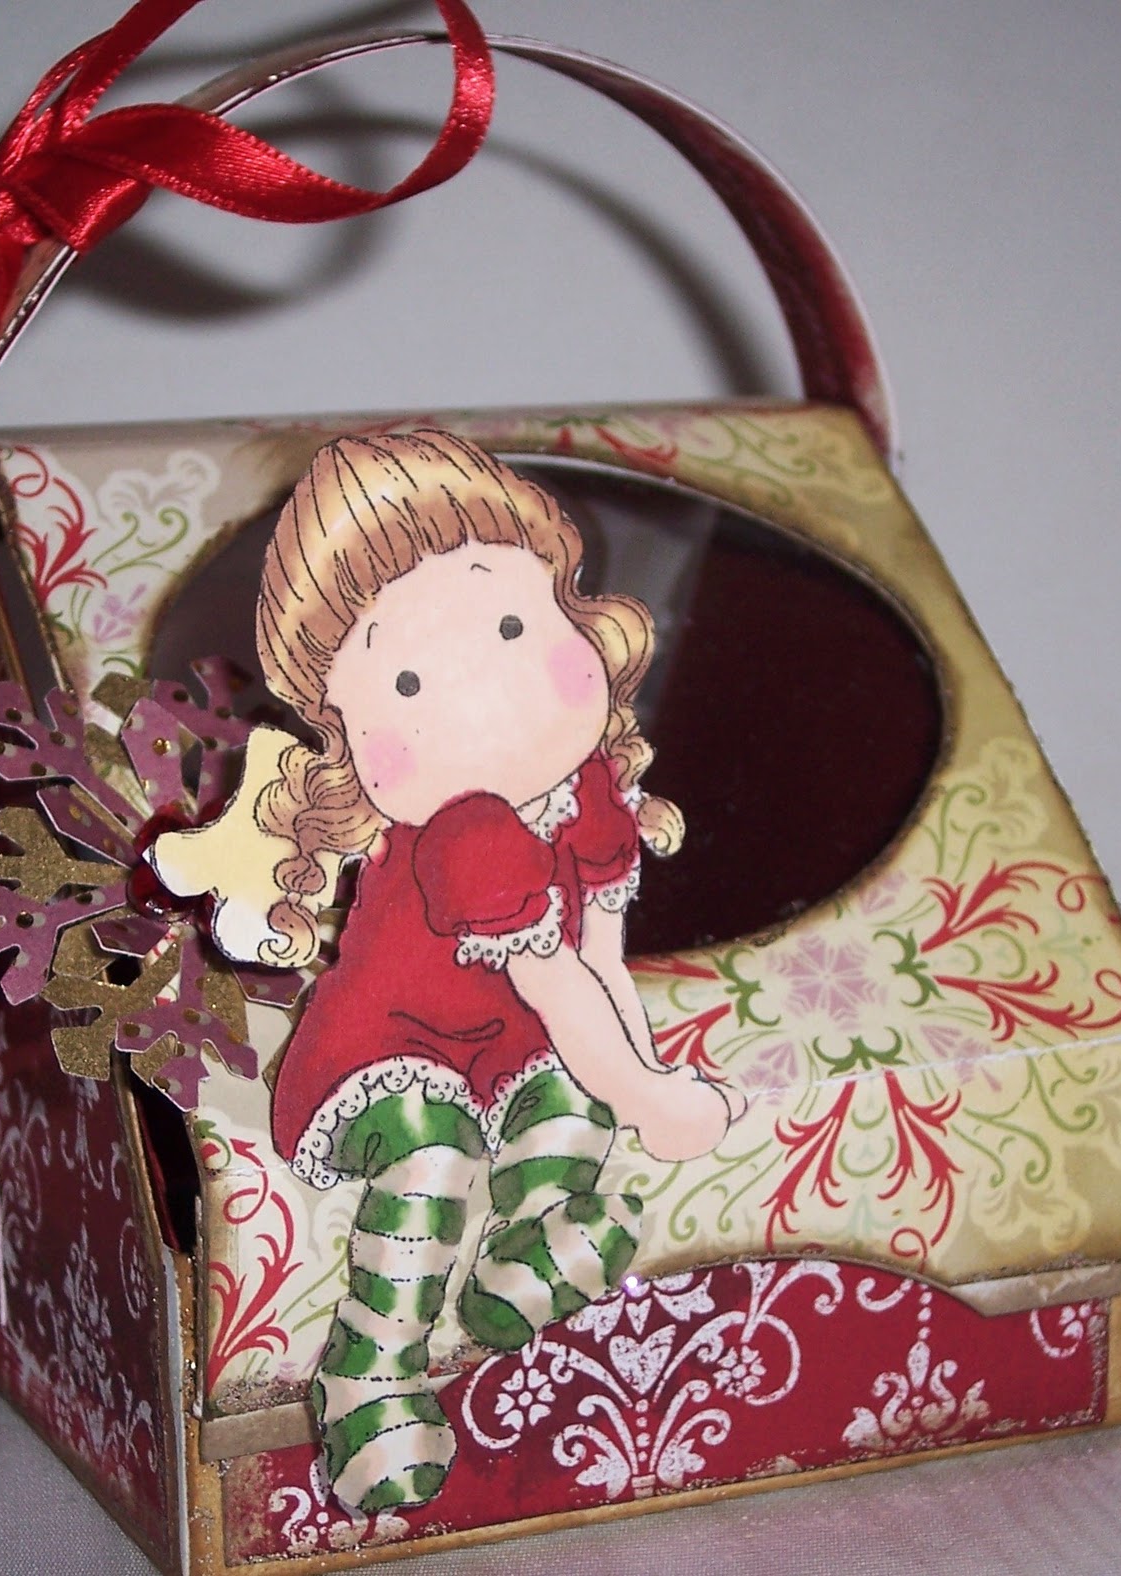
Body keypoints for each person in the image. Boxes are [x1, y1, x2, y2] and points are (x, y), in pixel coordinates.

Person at [151, 430, 737, 1514]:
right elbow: (555, 979)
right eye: (409, 680)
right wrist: (656, 1100)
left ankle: (522, 1250)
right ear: (346, 733)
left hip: (505, 1048)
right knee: (433, 1152)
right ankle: (371, 1370)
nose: (486, 692)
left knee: (575, 1093)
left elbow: (599, 959)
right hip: (383, 1056)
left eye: (514, 625)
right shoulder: (466, 833)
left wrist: (640, 1076)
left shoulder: (590, 787)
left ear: (569, 607)